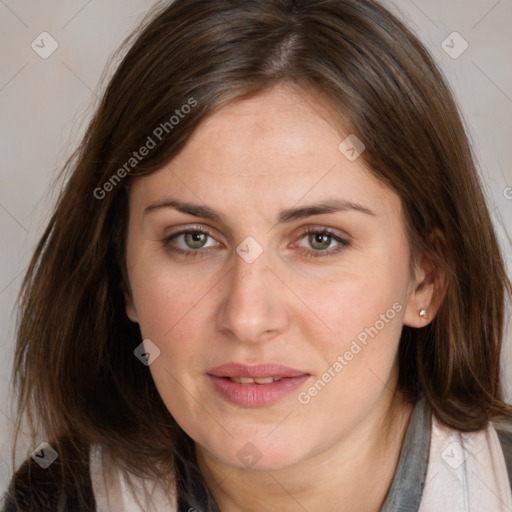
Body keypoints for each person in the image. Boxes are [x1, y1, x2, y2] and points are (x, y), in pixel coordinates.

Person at [2, 0, 512, 510]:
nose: (247, 318)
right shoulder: (53, 496)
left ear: (426, 278)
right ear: (122, 272)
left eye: (320, 240)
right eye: (193, 239)